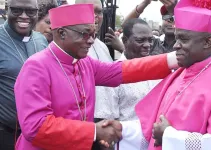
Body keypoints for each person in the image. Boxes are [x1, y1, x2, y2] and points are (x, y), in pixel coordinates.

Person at [14, 4, 178, 150]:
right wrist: (94, 131)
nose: (92, 40)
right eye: (85, 34)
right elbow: (36, 127)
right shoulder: (36, 67)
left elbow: (123, 70)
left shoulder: (84, 63)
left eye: (93, 33)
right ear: (62, 33)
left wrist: (174, 59)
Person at [115, 0, 211, 149]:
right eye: (177, 37)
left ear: (208, 41)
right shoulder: (182, 73)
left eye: (183, 39)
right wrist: (118, 131)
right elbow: (152, 128)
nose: (175, 45)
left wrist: (169, 136)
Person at [0, 0, 48, 149]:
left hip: (38, 134)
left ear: (37, 13)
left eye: (30, 11)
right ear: (7, 9)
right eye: (16, 10)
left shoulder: (41, 40)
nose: (24, 16)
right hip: (5, 134)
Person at [75, 0, 123, 122]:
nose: (95, 16)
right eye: (90, 11)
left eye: (99, 12)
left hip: (109, 119)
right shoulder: (72, 46)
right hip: (87, 122)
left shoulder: (103, 46)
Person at [113, 18, 160, 122]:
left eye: (150, 40)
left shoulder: (159, 69)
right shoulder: (113, 74)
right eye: (140, 40)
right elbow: (107, 121)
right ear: (125, 41)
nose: (148, 45)